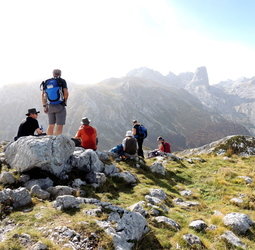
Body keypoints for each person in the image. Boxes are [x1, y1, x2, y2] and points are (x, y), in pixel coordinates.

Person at [41, 69, 69, 135]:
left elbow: (43, 95)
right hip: (60, 105)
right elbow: (66, 92)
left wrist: (45, 106)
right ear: (60, 74)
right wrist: (65, 101)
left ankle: (48, 140)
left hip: (50, 106)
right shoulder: (62, 81)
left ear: (53, 74)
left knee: (51, 125)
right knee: (59, 125)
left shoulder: (47, 82)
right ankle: (56, 141)